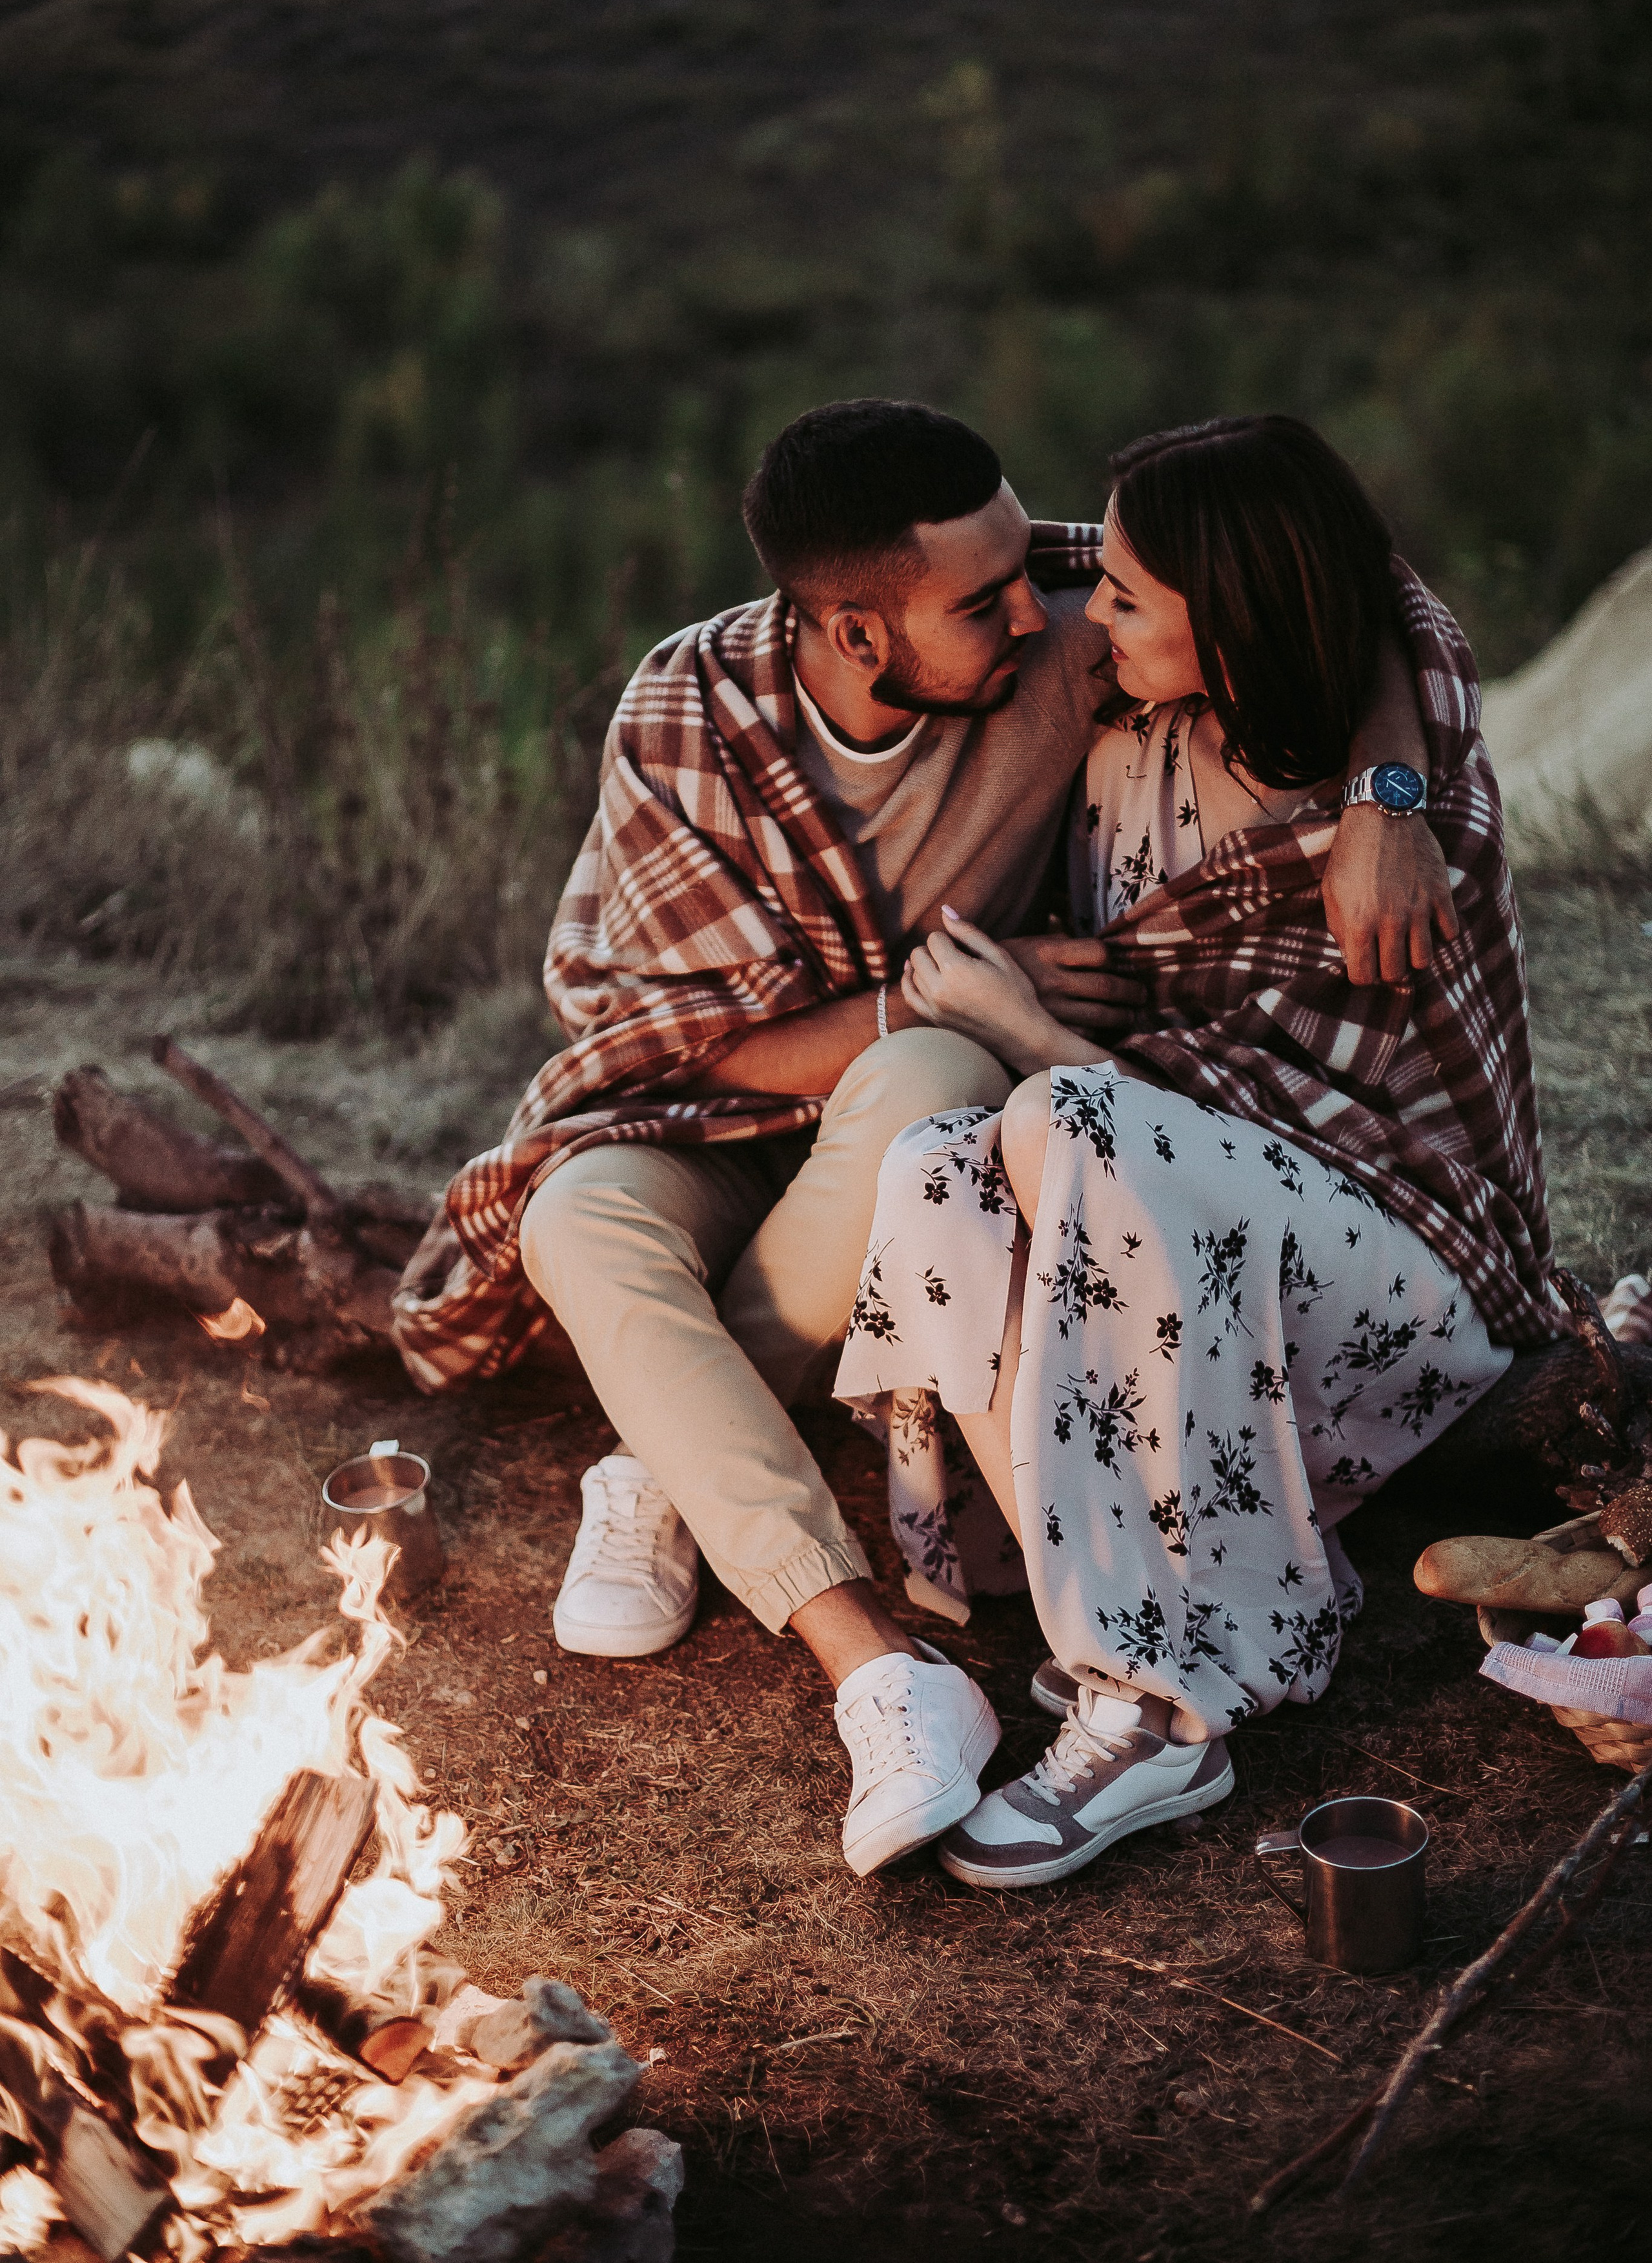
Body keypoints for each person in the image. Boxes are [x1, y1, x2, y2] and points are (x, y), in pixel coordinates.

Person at [392, 399, 1455, 1878]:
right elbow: (688, 1038)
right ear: (856, 635)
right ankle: (875, 1664)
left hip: (903, 1109)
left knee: (933, 1069)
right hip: (723, 1118)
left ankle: (673, 1457)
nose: (1043, 611)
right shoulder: (687, 714)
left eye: (1036, 568)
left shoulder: (1052, 621)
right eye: (987, 599)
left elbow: (1347, 580)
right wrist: (908, 994)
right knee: (578, 1216)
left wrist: (1385, 798)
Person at [834, 414, 1556, 1889]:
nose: (1080, 615)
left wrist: (1016, 1018)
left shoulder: (1398, 831)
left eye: (1125, 598)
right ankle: (1138, 1593)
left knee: (1058, 1114)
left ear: (1228, 615)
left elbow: (1231, 1132)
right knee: (931, 1164)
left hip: (1402, 1264)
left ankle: (1163, 1708)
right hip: (1206, 1243)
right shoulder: (1138, 713)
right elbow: (1341, 577)